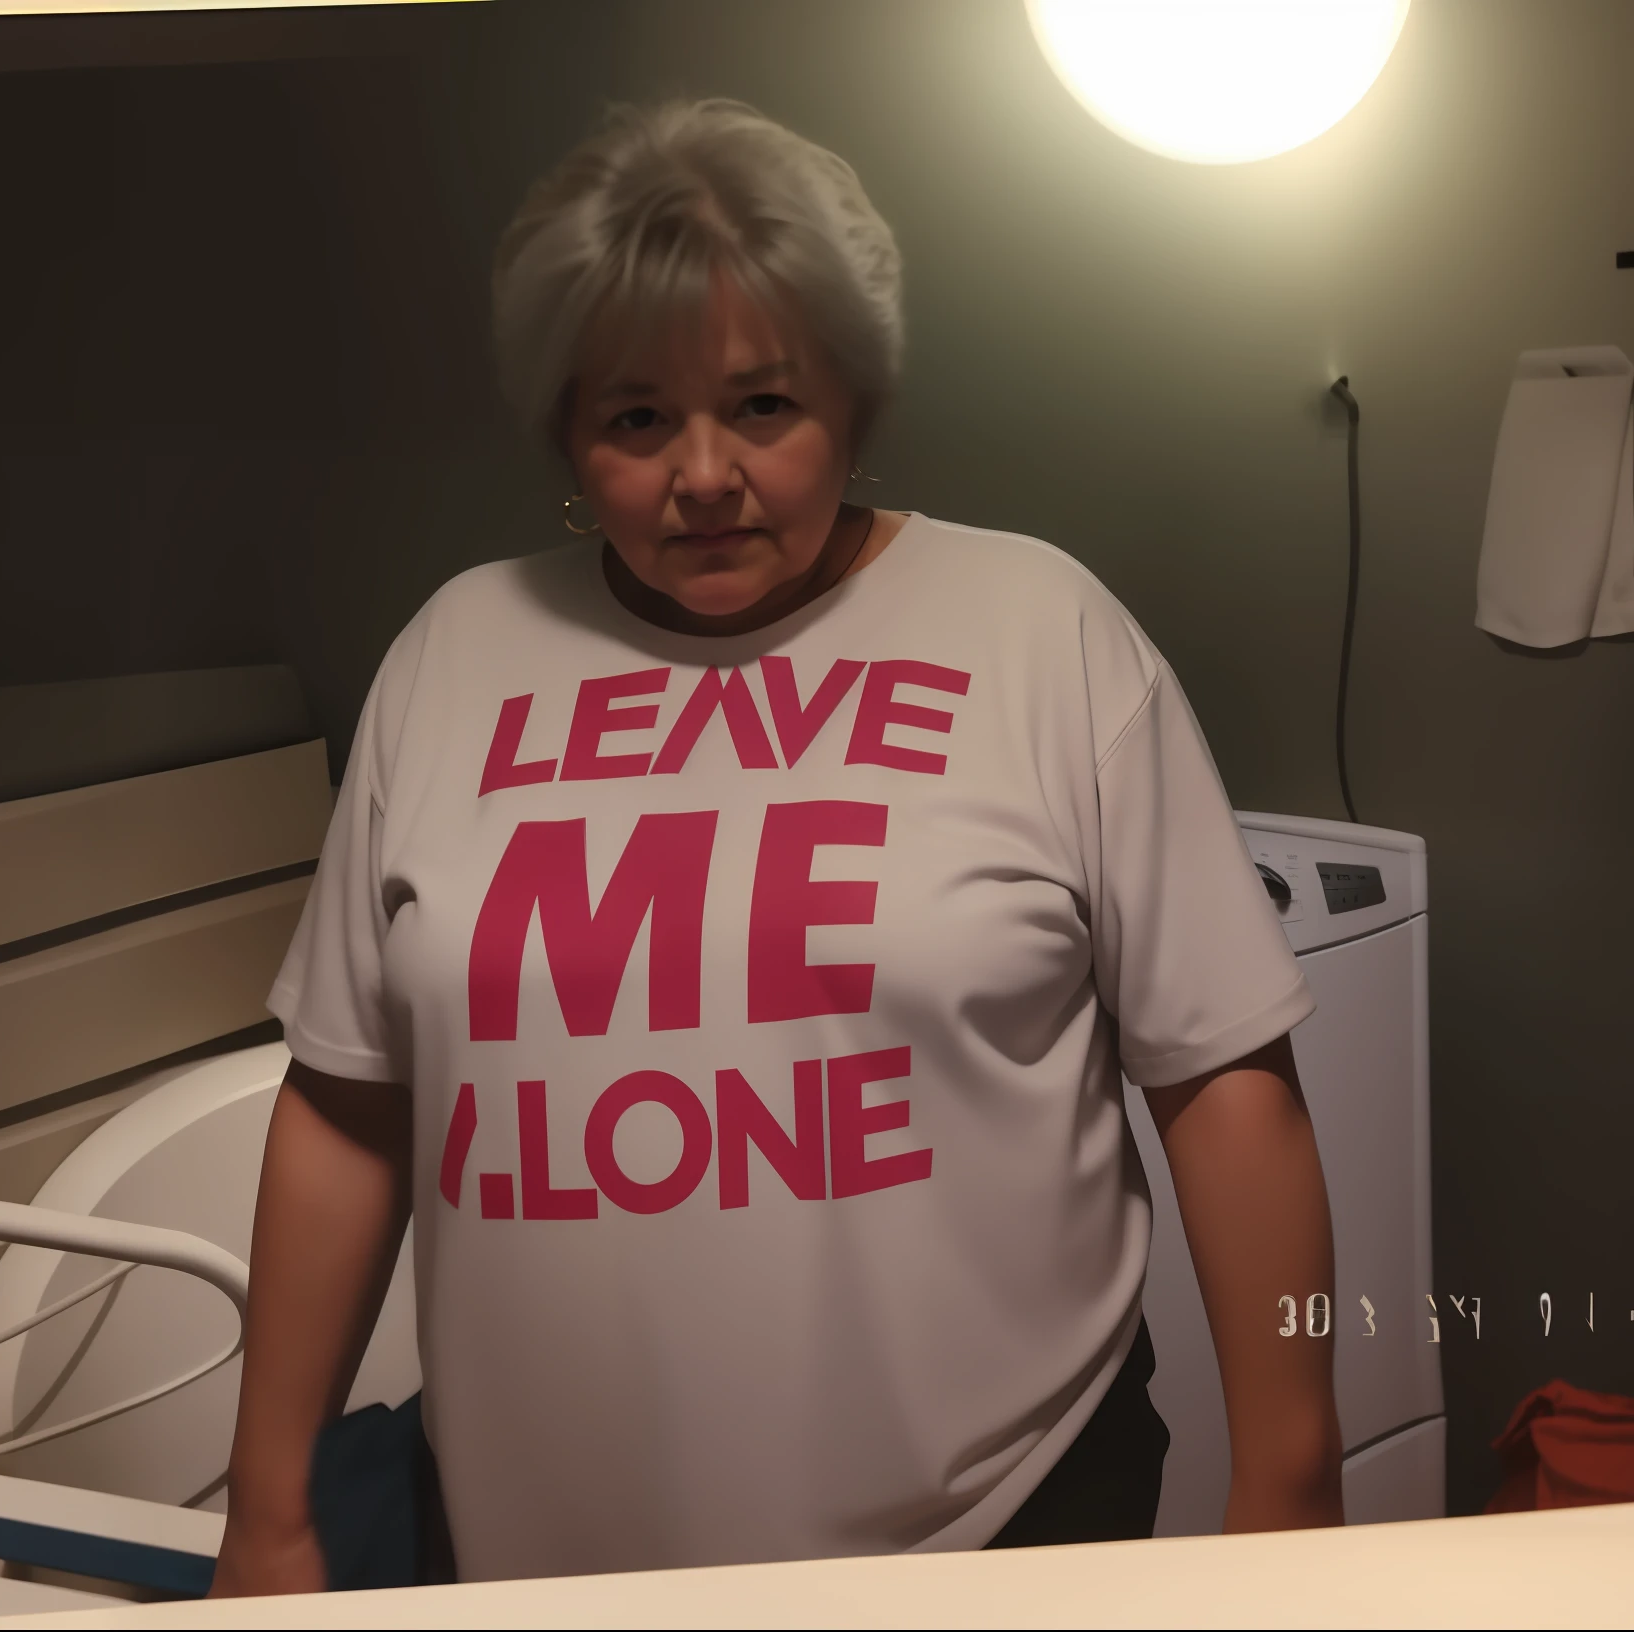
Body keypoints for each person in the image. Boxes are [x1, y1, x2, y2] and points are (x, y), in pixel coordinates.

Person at [211, 97, 1342, 1596]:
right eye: (635, 417)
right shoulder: (453, 652)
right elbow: (350, 1102)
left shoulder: (1042, 630)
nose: (701, 475)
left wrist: (1291, 1485)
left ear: (856, 406)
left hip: (997, 1531)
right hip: (534, 1562)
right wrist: (267, 1507)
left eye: (763, 406)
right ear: (565, 429)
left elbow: (1227, 1090)